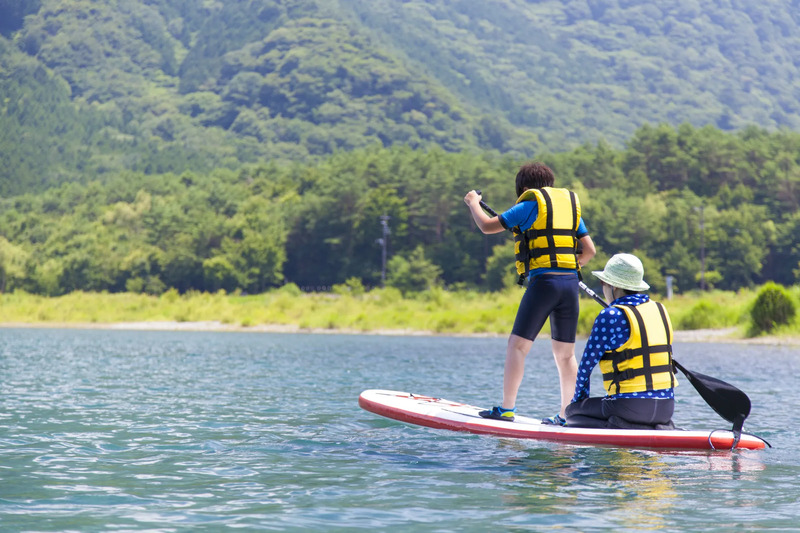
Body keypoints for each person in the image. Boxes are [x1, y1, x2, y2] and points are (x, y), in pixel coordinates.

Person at [464, 162, 596, 425]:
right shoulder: (569, 208)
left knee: (518, 346)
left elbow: (488, 226)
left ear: (524, 187)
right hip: (570, 284)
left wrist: (473, 203)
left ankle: (506, 409)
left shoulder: (530, 203)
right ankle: (566, 415)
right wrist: (567, 266)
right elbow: (589, 251)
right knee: (566, 354)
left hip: (544, 283)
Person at [565, 253, 678, 429]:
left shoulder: (611, 315)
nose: (603, 288)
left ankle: (624, 426)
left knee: (572, 413)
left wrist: (578, 403)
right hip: (666, 409)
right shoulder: (660, 310)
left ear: (613, 286)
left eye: (603, 283)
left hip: (630, 407)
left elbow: (586, 367)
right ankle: (657, 426)